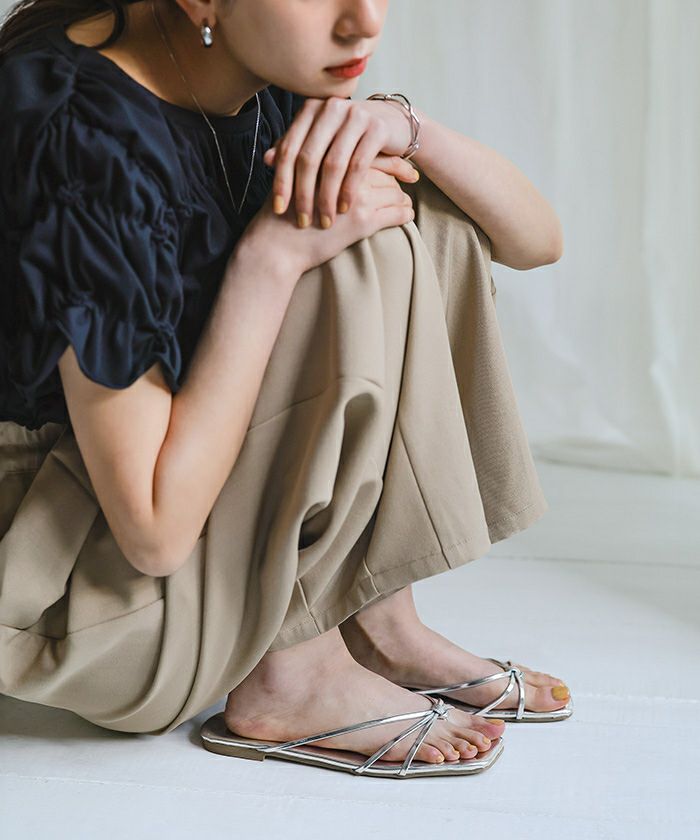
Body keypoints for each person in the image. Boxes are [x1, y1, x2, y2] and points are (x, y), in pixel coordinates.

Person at [0, 0, 570, 778]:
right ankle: (294, 672)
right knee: (353, 241)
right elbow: (153, 532)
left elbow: (536, 242)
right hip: (75, 591)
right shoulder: (78, 133)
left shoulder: (262, 69)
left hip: (185, 543)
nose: (363, 21)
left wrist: (406, 127)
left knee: (402, 196)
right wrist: (269, 261)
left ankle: (378, 622)